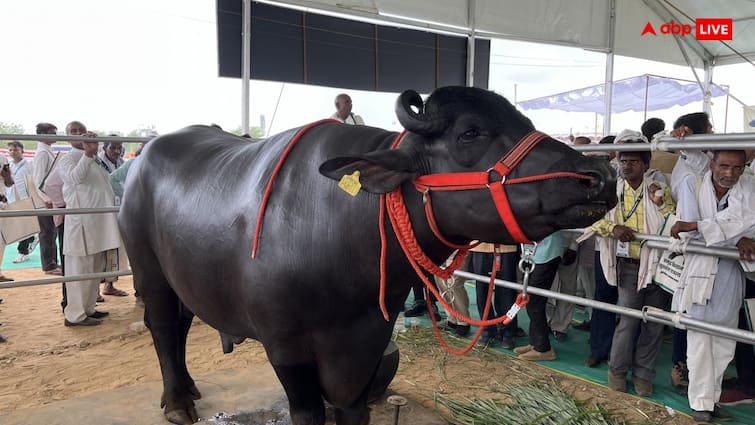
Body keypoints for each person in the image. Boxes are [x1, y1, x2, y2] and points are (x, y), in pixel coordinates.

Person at [670, 150, 754, 423]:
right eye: (724, 166)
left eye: (737, 167)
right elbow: (690, 232)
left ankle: (709, 400)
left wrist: (743, 237)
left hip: (731, 273)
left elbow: (749, 224)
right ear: (712, 164)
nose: (730, 173)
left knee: (723, 342)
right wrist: (736, 237)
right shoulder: (691, 184)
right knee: (699, 340)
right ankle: (701, 405)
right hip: (698, 272)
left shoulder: (749, 187)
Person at [592, 137, 675, 397]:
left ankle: (643, 375)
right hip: (628, 265)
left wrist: (661, 204)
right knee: (628, 320)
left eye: (633, 162)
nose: (627, 166)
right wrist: (613, 228)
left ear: (646, 164)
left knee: (654, 324)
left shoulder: (658, 188)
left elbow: (674, 220)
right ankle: (616, 371)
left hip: (658, 266)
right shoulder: (612, 190)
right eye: (623, 161)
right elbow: (595, 219)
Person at [58, 126, 121, 326]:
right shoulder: (67, 159)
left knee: (94, 269)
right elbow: (75, 178)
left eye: (82, 130)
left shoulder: (94, 159)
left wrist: (90, 154)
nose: (79, 133)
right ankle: (75, 315)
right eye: (74, 130)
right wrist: (87, 153)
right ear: (68, 135)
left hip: (98, 223)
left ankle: (88, 309)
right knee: (80, 269)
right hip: (82, 224)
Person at [513, 231, 565, 361]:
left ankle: (544, 349)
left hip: (547, 252)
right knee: (533, 301)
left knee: (534, 301)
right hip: (533, 252)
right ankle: (535, 343)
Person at [470, 243, 521, 348]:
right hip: (480, 246)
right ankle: (487, 330)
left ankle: (508, 331)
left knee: (507, 293)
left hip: (506, 247)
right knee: (481, 291)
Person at [96, 137, 127, 297]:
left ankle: (109, 285)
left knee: (116, 247)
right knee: (102, 249)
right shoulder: (97, 162)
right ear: (104, 147)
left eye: (119, 147)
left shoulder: (123, 163)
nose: (116, 151)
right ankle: (95, 291)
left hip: (121, 209)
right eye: (113, 147)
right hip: (103, 209)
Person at [32, 122, 63, 275]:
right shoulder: (42, 153)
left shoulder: (47, 151)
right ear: (43, 134)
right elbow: (37, 180)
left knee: (51, 232)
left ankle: (52, 262)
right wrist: (45, 198)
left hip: (49, 199)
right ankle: (49, 265)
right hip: (45, 200)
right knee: (47, 232)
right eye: (52, 132)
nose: (55, 135)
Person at [7, 141, 39, 264]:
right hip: (12, 200)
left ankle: (23, 252)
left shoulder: (29, 165)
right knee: (18, 226)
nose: (12, 152)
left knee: (23, 227)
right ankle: (32, 237)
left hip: (26, 200)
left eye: (15, 150)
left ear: (22, 151)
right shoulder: (8, 165)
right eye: (10, 150)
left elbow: (34, 182)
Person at [434, 253, 471, 337]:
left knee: (455, 284)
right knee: (440, 279)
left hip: (460, 246)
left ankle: (463, 322)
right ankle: (452, 318)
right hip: (441, 245)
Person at [0, 155, 16, 282]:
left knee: (1, 242)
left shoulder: (3, 159)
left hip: (2, 203)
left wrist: (6, 176)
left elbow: (10, 183)